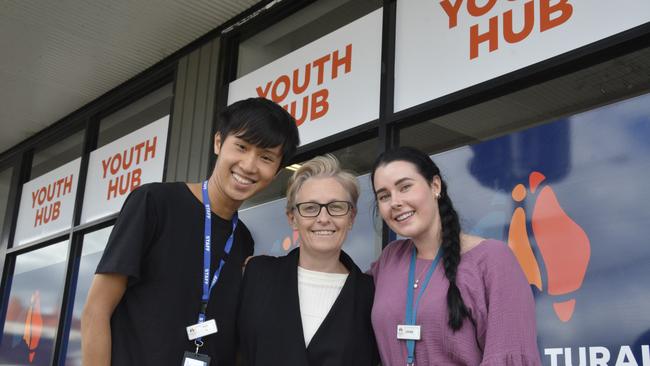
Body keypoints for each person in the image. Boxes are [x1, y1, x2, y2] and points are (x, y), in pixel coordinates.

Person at [81, 97, 300, 366]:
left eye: (266, 157)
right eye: (241, 147)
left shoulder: (242, 239)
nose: (249, 165)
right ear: (218, 142)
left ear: (276, 172)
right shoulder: (154, 203)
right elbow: (96, 312)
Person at [369, 146, 541, 365]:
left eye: (405, 187)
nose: (395, 202)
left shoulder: (492, 260)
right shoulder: (389, 260)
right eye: (384, 196)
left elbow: (512, 356)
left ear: (435, 186)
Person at [238, 155, 379, 366]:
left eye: (337, 206)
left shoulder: (371, 295)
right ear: (292, 218)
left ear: (351, 217)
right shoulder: (256, 275)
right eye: (310, 208)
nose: (323, 218)